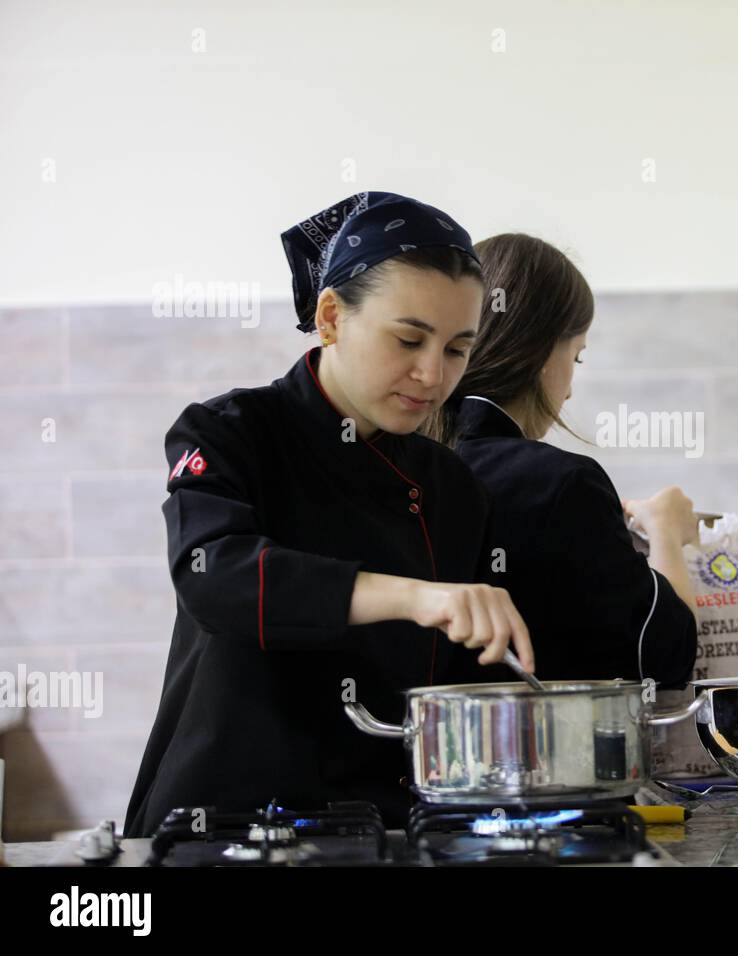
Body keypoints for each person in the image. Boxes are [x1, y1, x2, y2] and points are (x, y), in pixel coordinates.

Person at [123, 192, 532, 838]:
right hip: (222, 824)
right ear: (332, 316)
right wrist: (412, 597)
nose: (431, 375)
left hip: (385, 831)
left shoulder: (453, 488)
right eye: (408, 339)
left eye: (457, 350)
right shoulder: (231, 434)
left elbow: (456, 693)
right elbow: (215, 577)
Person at [430, 233, 698, 688]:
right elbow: (664, 660)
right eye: (576, 355)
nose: (570, 388)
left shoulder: (407, 461)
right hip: (546, 753)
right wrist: (667, 534)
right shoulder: (560, 483)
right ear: (541, 351)